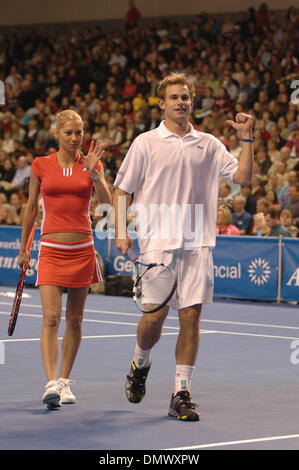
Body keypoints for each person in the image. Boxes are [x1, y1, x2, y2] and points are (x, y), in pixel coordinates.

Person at [113, 73, 254, 421]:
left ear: (192, 102)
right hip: (157, 244)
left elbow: (243, 178)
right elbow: (121, 191)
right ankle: (140, 361)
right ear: (162, 103)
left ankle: (181, 392)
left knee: (191, 317)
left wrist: (247, 139)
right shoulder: (145, 143)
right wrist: (120, 230)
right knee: (155, 317)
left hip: (198, 244)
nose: (181, 102)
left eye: (186, 97)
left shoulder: (209, 143)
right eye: (174, 97)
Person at [17, 109, 111, 409]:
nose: (74, 138)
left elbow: (108, 206)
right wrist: (24, 248)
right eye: (69, 132)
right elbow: (31, 207)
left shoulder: (92, 165)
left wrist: (97, 176)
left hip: (82, 250)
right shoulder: (40, 165)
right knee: (51, 317)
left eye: (79, 132)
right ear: (57, 133)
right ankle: (50, 382)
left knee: (75, 319)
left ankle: (65, 381)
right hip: (51, 251)